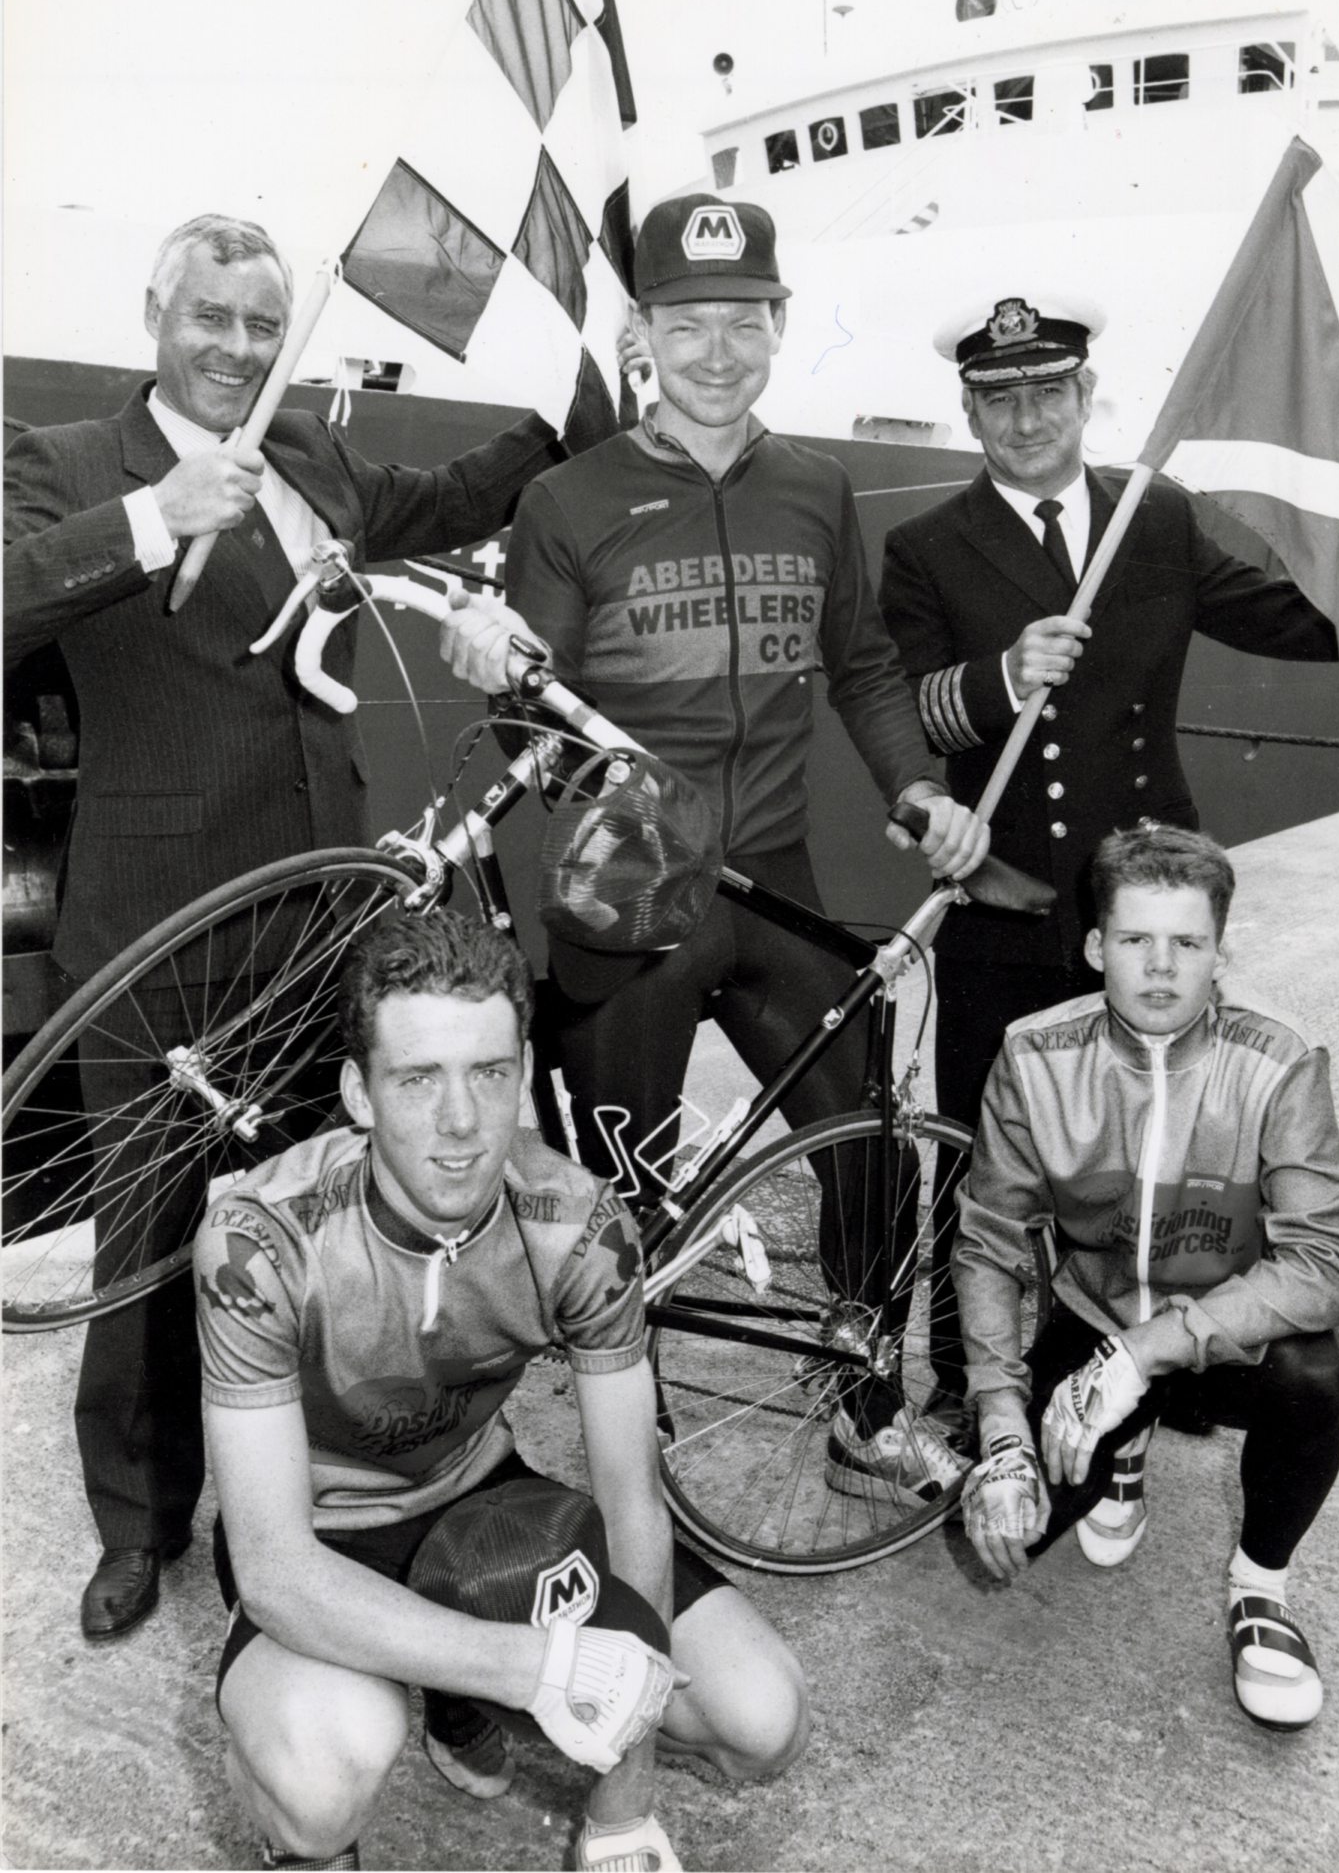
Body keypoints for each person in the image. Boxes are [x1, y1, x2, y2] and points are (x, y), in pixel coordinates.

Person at [3, 213, 580, 1641]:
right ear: (157, 313)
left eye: (264, 324)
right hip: (155, 937)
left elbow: (444, 496)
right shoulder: (70, 464)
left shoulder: (310, 455)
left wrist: (571, 410)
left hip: (319, 926)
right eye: (213, 317)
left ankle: (317, 1494)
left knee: (319, 1243)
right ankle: (141, 1525)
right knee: (144, 1252)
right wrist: (155, 519)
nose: (240, 348)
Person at [490, 190, 991, 1506]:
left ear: (778, 325)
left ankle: (869, 1406)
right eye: (685, 322)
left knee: (875, 1143)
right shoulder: (565, 497)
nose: (716, 349)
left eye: (742, 321)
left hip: (774, 883)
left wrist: (918, 790)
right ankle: (627, 1437)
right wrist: (506, 674)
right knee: (620, 1194)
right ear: (640, 331)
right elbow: (513, 716)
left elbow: (869, 670)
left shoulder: (816, 489)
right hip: (627, 899)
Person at [195, 909, 807, 1872]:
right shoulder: (259, 1240)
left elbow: (633, 1504)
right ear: (358, 1091)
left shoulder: (578, 1223)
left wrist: (621, 1798)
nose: (460, 1122)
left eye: (489, 1072)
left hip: (483, 1499)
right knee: (323, 1779)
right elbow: (270, 1565)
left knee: (762, 1715)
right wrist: (538, 1668)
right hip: (324, 1533)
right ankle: (319, 1784)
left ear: (523, 1070)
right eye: (417, 1078)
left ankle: (456, 1685)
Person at [877, 291, 1339, 1422]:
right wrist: (1002, 676)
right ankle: (960, 1383)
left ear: (1087, 395)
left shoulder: (1157, 517)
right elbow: (907, 713)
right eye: (1000, 397)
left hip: (1148, 903)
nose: (1027, 417)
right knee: (985, 1155)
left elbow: (1283, 617)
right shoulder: (927, 547)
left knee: (1163, 1146)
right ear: (970, 410)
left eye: (1048, 391)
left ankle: (1151, 1369)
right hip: (1008, 894)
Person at [952, 825, 1339, 1730]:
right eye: (1136, 938)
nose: (1162, 966)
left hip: (1223, 1328)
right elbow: (988, 1242)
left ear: (1222, 951)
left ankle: (1260, 1588)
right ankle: (1122, 1450)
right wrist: (999, 1425)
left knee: (1317, 1375)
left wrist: (1143, 1354)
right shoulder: (1033, 1056)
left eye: (1188, 942)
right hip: (1091, 1319)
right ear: (1097, 946)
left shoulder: (1280, 1060)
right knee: (1005, 1530)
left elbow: (1329, 1261)